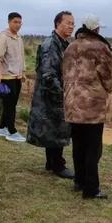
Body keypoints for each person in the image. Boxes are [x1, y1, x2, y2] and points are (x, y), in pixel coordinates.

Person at [63, 15, 112, 199]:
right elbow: (110, 73)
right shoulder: (100, 48)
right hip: (92, 106)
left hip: (72, 103)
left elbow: (64, 72)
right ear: (95, 29)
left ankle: (79, 181)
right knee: (93, 148)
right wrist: (107, 89)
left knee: (78, 144)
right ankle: (91, 188)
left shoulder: (70, 46)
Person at [27, 11, 75, 178]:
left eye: (72, 24)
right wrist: (62, 94)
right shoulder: (51, 45)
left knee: (54, 129)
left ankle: (52, 162)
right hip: (52, 96)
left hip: (55, 94)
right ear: (57, 24)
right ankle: (57, 165)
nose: (71, 26)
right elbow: (48, 75)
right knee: (55, 128)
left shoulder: (63, 44)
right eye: (68, 23)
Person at [0, 12, 27, 142]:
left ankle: (2, 128)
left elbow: (21, 57)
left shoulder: (19, 38)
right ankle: (12, 131)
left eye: (20, 22)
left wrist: (22, 72)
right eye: (15, 22)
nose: (18, 25)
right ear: (9, 22)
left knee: (11, 104)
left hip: (17, 77)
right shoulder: (4, 37)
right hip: (6, 77)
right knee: (10, 106)